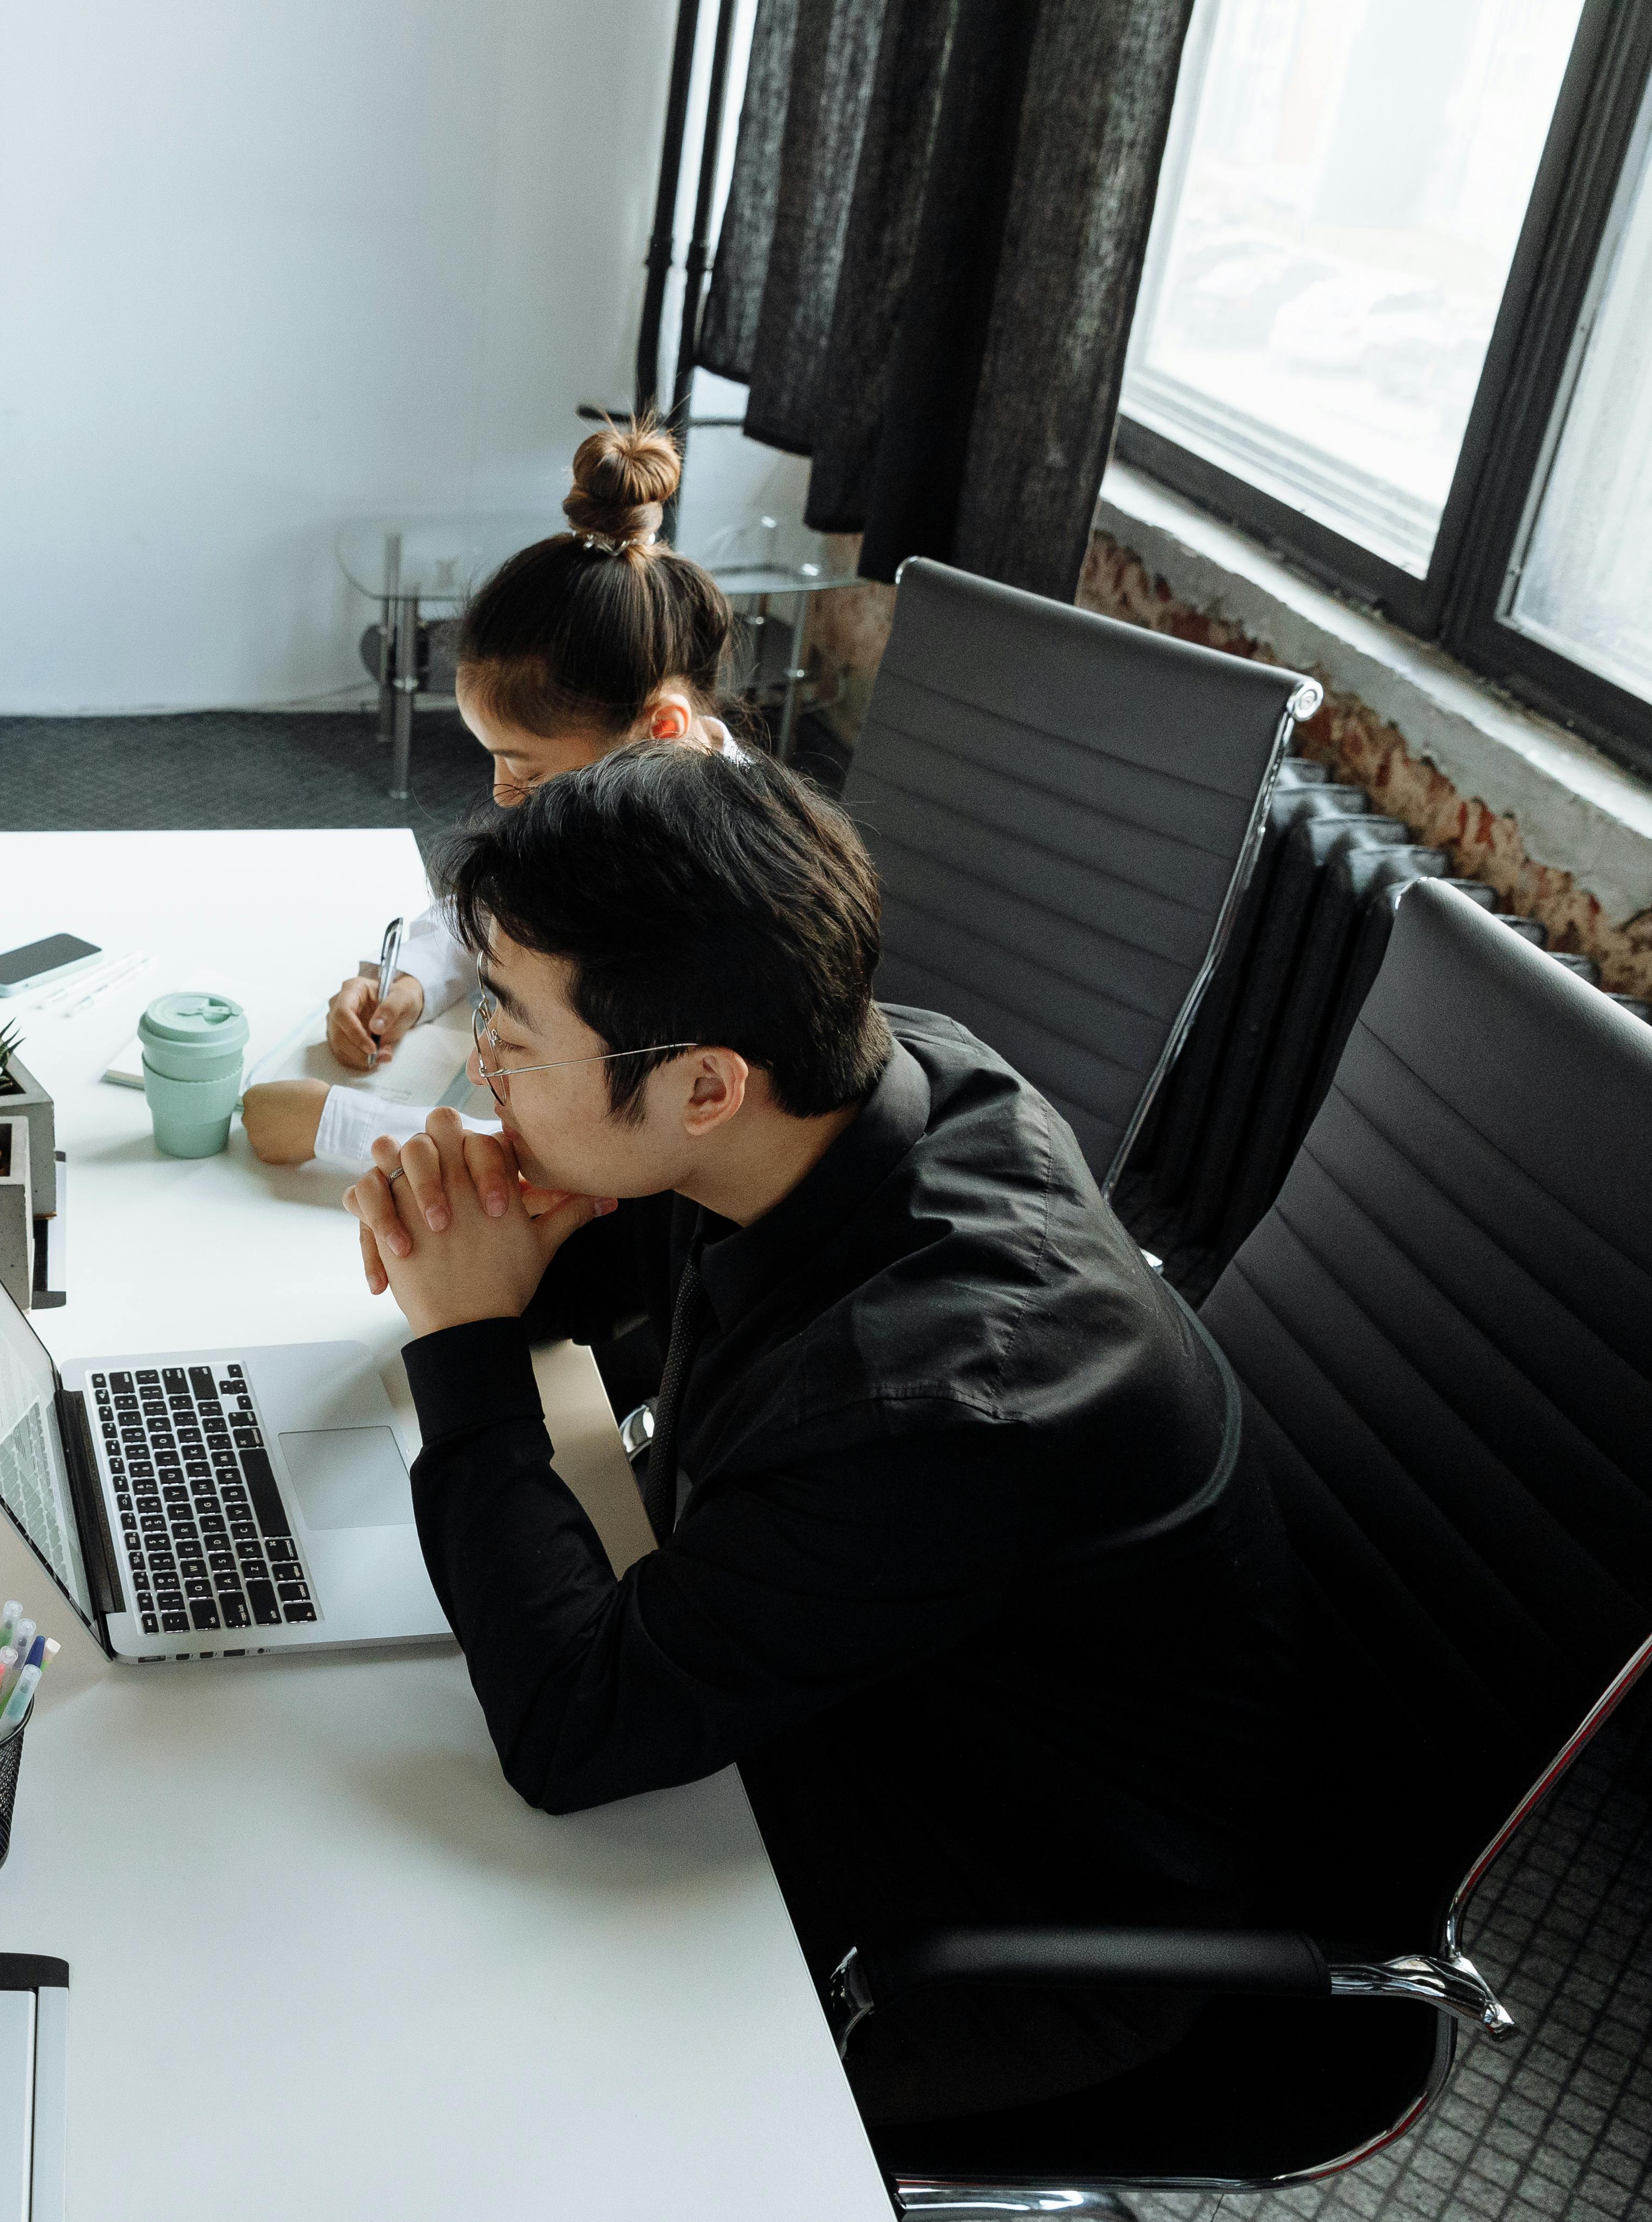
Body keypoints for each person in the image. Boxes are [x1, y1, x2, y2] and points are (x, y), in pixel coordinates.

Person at [341, 743, 1303, 2127]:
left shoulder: (929, 1405)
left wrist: (460, 1340)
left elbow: (570, 1728)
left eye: (507, 1028)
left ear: (704, 1088)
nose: (478, 1060)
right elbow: (627, 1274)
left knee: (424, 2032)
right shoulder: (878, 1078)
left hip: (987, 1907)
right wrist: (501, 1241)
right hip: (889, 1700)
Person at [245, 417, 735, 1171]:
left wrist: (339, 1125)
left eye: (528, 769)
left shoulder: (706, 905)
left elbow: (599, 1166)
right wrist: (409, 977)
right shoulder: (635, 803)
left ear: (660, 729)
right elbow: (503, 917)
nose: (505, 797)